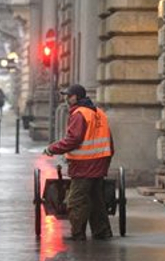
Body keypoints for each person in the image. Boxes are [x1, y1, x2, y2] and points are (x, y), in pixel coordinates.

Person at [42, 84, 114, 241]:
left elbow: (73, 139)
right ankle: (101, 231)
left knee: (76, 199)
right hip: (100, 161)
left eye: (70, 96)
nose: (67, 99)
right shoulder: (99, 113)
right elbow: (109, 139)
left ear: (78, 97)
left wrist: (52, 149)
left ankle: (78, 233)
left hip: (84, 164)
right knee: (96, 198)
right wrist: (107, 159)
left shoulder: (79, 114)